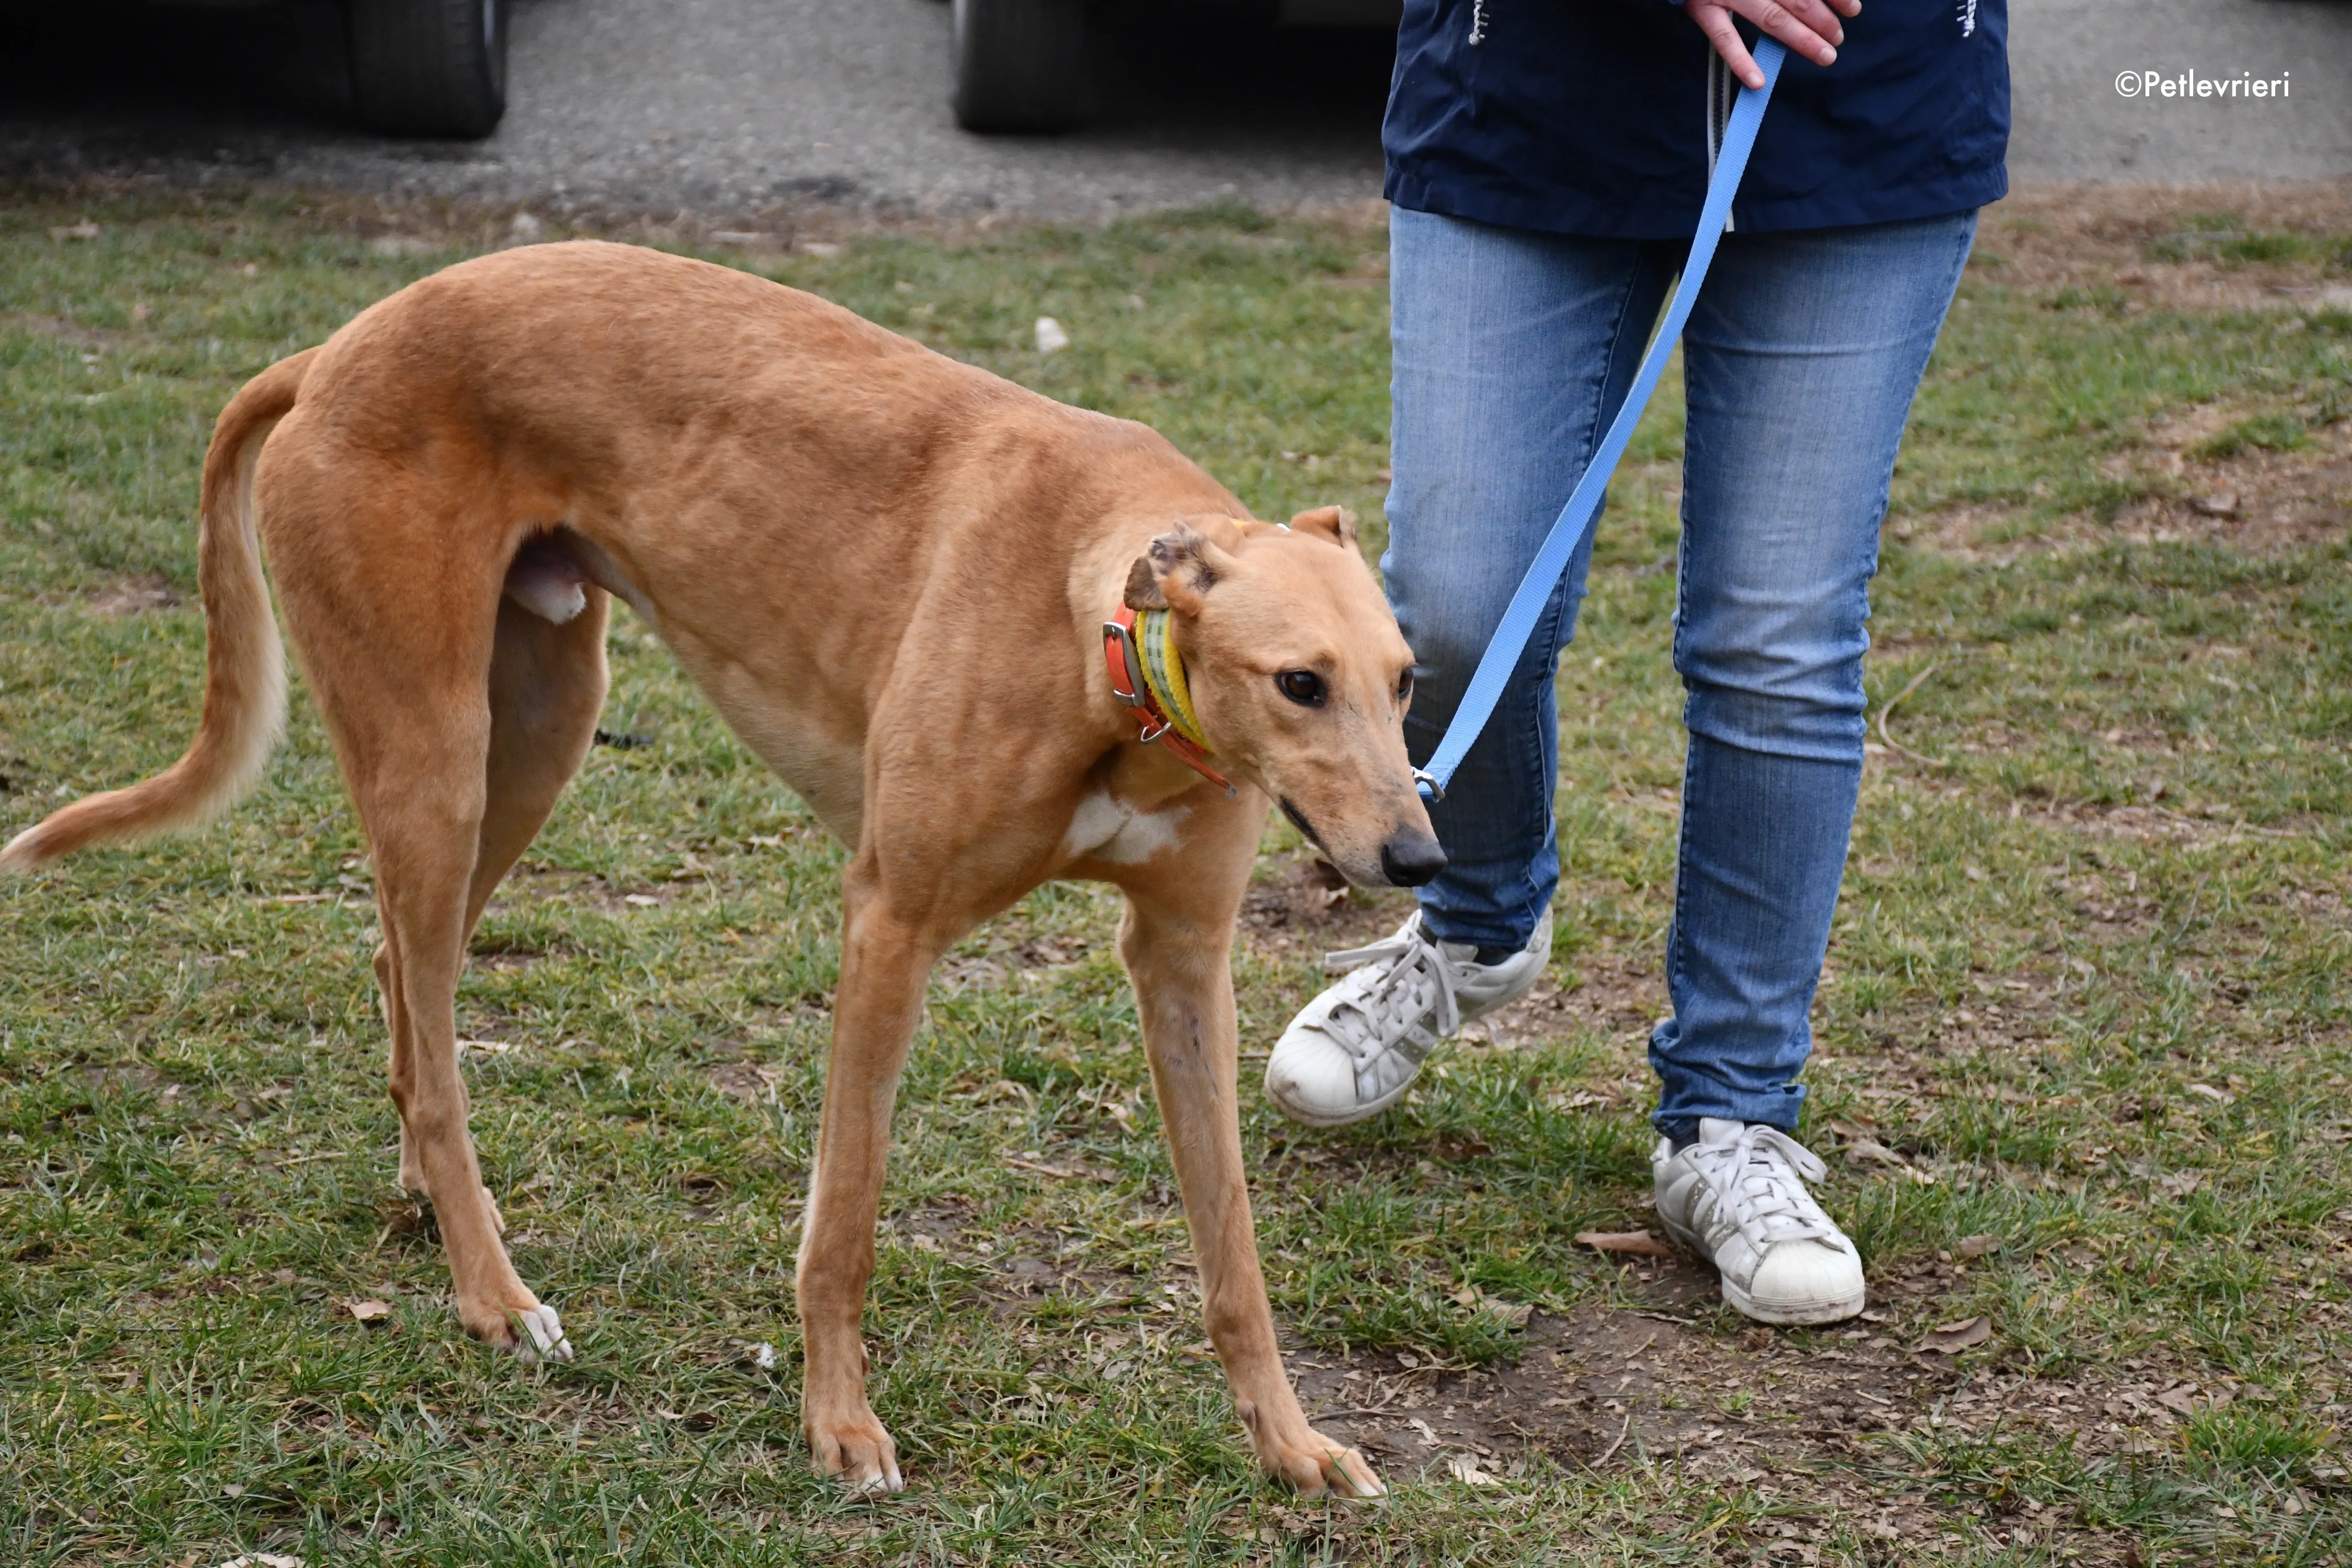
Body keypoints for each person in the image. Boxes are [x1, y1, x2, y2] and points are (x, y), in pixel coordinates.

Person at [1263, 0, 2009, 1325]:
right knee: (1453, 612)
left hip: (1864, 99)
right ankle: (1477, 925)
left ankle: (1731, 1120)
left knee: (1775, 641)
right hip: (1529, 87)